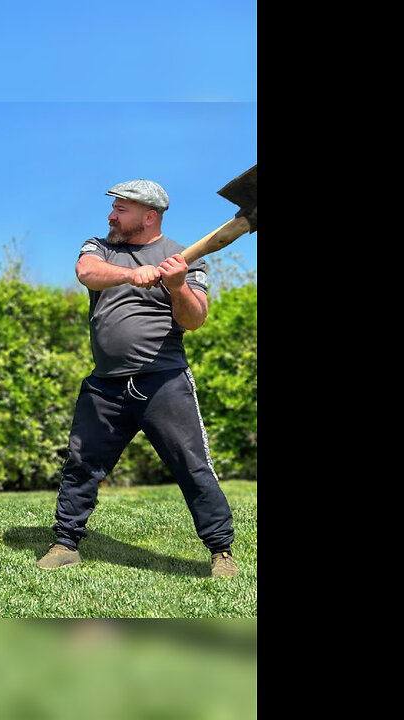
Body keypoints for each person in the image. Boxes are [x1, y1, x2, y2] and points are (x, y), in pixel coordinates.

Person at [37, 179, 238, 578]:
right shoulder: (100, 247)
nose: (111, 215)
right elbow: (86, 272)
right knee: (81, 463)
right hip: (105, 384)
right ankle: (65, 542)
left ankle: (220, 551)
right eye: (114, 208)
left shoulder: (182, 257)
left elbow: (194, 319)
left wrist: (177, 286)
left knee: (191, 465)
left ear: (149, 216)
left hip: (163, 381)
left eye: (121, 209)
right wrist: (132, 275)